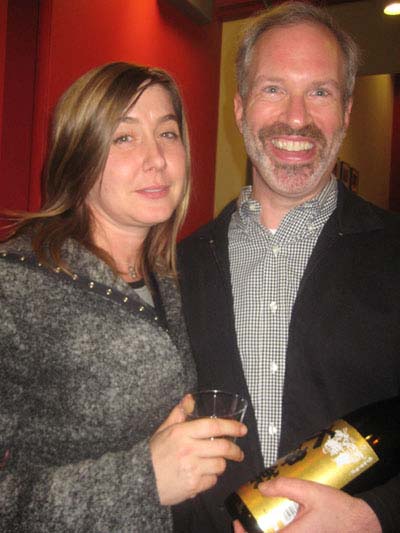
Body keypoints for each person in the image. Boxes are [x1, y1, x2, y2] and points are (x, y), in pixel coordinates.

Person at [176, 2, 400, 532]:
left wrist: (376, 517)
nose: (296, 117)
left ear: (346, 112)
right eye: (273, 88)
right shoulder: (180, 265)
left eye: (319, 91)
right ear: (240, 107)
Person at [0, 62, 247, 532]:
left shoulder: (176, 280)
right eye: (124, 137)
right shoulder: (15, 287)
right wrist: (143, 479)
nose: (156, 158)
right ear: (79, 155)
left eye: (168, 133)